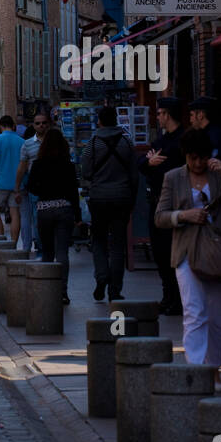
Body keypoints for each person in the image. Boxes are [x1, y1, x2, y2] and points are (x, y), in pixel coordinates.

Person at [155, 129, 221, 389]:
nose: (197, 164)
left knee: (219, 317)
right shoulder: (173, 177)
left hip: (219, 252)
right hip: (186, 251)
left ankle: (214, 368)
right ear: (186, 156)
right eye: (193, 158)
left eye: (202, 158)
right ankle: (196, 372)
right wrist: (184, 216)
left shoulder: (218, 173)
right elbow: (160, 217)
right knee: (195, 312)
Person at [81, 106, 139, 302]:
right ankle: (115, 289)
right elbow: (134, 173)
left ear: (99, 121)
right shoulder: (126, 142)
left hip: (99, 198)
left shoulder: (93, 142)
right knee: (117, 244)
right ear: (116, 120)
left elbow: (86, 171)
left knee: (98, 240)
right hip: (122, 196)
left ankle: (102, 276)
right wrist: (131, 196)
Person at [138, 98, 184, 315]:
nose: (157, 117)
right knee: (160, 252)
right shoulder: (161, 141)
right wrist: (148, 163)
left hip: (173, 203)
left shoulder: (180, 141)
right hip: (157, 202)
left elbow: (165, 169)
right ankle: (168, 295)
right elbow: (144, 166)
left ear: (167, 115)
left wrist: (152, 164)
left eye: (159, 114)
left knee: (170, 252)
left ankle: (176, 297)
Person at [28, 128, 81, 305]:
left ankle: (47, 289)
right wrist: (78, 215)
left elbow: (31, 187)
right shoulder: (68, 164)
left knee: (47, 251)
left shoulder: (38, 164)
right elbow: (74, 191)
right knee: (62, 252)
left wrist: (42, 189)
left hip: (44, 209)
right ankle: (63, 291)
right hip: (64, 208)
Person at [13, 110, 52, 253]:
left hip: (54, 184)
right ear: (33, 126)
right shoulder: (27, 144)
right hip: (35, 185)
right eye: (38, 123)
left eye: (44, 123)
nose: (41, 125)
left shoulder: (56, 142)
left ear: (49, 124)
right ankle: (40, 247)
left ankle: (46, 246)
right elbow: (21, 167)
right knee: (37, 217)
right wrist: (16, 187)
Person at [0, 116, 24, 241]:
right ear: (13, 125)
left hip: (1, 181)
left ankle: (0, 240)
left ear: (1, 126)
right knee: (15, 213)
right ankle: (13, 243)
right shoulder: (21, 141)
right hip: (17, 183)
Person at [188, 97, 221, 169]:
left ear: (200, 115)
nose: (190, 120)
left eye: (191, 115)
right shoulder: (203, 133)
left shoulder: (216, 135)